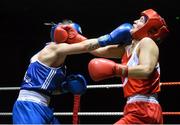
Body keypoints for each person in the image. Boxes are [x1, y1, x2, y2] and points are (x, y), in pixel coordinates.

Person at [12, 19, 133, 124]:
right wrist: (110, 37)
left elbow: (45, 89)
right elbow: (87, 47)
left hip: (43, 106)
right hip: (29, 106)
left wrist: (64, 88)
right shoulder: (54, 48)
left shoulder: (57, 55)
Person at [88, 9, 169, 124]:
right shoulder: (126, 49)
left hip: (145, 109)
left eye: (140, 20)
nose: (134, 21)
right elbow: (97, 50)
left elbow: (146, 70)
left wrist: (116, 69)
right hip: (133, 107)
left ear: (150, 28)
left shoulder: (147, 42)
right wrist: (74, 38)